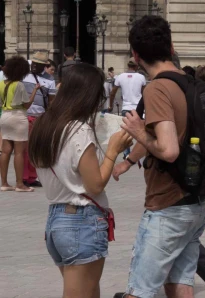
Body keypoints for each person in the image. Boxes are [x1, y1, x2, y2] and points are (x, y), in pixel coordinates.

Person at [116, 15, 205, 298]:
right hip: (196, 204)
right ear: (171, 46)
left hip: (167, 206)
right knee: (181, 285)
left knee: (139, 291)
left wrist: (137, 131)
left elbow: (168, 150)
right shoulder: (197, 85)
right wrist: (130, 159)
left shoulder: (158, 88)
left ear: (135, 55)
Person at [29, 63, 133, 298]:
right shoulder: (78, 131)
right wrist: (113, 150)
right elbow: (95, 184)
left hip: (57, 219)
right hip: (81, 221)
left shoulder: (43, 127)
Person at [0, 57, 40, 192]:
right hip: (18, 117)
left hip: (5, 116)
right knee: (19, 152)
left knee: (5, 151)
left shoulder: (1, 83)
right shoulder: (19, 85)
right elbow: (26, 104)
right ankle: (19, 184)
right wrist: (35, 91)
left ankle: (4, 183)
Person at [22, 50, 58, 188]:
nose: (35, 66)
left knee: (34, 149)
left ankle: (31, 177)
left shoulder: (49, 80)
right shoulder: (24, 74)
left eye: (39, 64)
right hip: (25, 115)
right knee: (25, 148)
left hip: (40, 117)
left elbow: (51, 101)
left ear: (45, 66)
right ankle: (25, 177)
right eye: (34, 63)